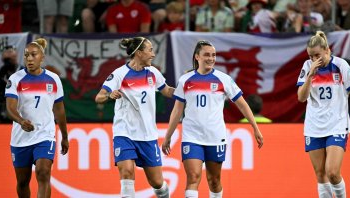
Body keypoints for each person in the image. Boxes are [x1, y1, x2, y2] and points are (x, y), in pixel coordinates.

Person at [162, 40, 264, 198]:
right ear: (197, 57)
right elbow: (177, 111)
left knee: (214, 180)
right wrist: (168, 137)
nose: (211, 58)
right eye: (207, 55)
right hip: (191, 136)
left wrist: (255, 128)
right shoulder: (185, 80)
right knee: (193, 177)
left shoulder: (224, 79)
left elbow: (242, 105)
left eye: (213, 55)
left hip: (215, 137)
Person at [95, 36, 174, 197]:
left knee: (157, 182)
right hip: (124, 133)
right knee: (127, 172)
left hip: (147, 134)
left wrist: (188, 90)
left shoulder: (153, 72)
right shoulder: (120, 74)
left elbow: (166, 91)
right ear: (139, 53)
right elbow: (99, 97)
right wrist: (110, 95)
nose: (153, 54)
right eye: (150, 50)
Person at [297, 31, 350, 198]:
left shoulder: (340, 65)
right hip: (314, 126)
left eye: (317, 55)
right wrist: (310, 76)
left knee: (332, 172)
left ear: (327, 50)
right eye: (311, 56)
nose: (314, 60)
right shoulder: (307, 67)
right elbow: (301, 97)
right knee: (320, 174)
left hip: (337, 124)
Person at [5, 38, 69, 197]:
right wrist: (21, 121)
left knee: (43, 172)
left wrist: (64, 136)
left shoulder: (54, 79)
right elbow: (10, 108)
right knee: (22, 182)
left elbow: (59, 110)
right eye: (26, 55)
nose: (29, 59)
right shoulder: (15, 79)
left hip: (45, 135)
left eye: (33, 55)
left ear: (42, 57)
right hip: (21, 139)